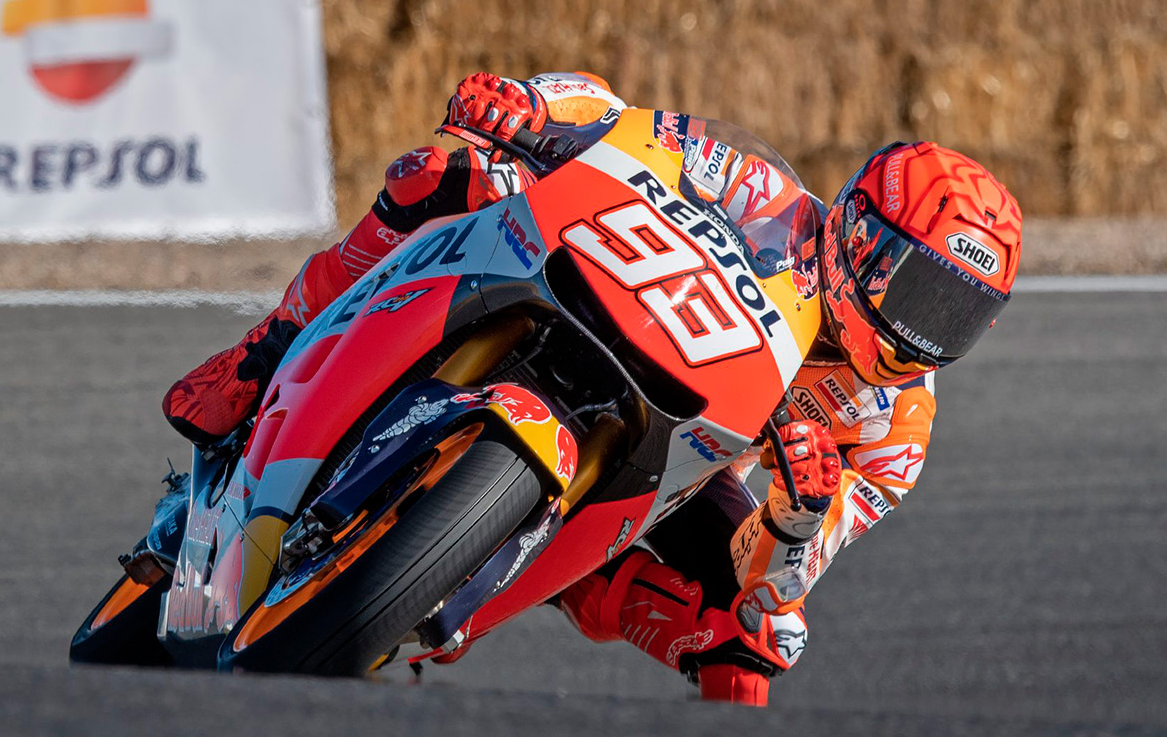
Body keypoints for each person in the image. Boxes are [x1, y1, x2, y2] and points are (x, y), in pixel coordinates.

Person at [162, 72, 1024, 705]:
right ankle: (260, 356)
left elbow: (780, 583)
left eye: (954, 314)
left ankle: (510, 576)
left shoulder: (894, 432)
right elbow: (621, 120)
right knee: (435, 173)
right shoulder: (768, 197)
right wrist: (532, 108)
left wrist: (797, 513)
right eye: (919, 291)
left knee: (756, 641)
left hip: (679, 456)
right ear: (860, 234)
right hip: (590, 284)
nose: (923, 331)